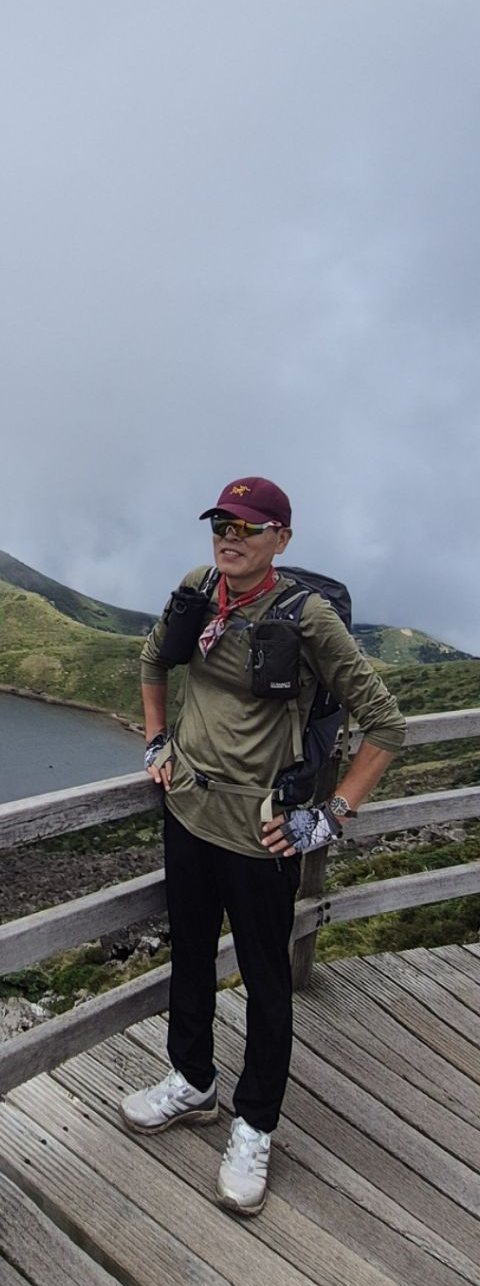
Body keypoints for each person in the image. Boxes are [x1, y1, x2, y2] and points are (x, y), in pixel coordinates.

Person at [123, 475, 405, 1214]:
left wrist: (329, 817)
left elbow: (387, 725)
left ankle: (255, 1124)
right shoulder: (199, 586)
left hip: (261, 834)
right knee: (190, 955)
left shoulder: (308, 618)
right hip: (188, 814)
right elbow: (152, 662)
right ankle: (193, 1082)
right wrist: (156, 740)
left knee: (265, 982)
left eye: (248, 527)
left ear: (281, 537)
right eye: (222, 522)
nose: (230, 537)